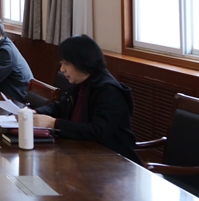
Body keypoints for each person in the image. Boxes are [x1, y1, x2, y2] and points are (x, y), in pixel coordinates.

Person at [33, 35, 141, 164]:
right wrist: (35, 112)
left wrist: (53, 123)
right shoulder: (81, 83)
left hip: (113, 161)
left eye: (66, 63)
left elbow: (98, 131)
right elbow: (60, 106)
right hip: (81, 153)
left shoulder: (108, 91)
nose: (62, 69)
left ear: (82, 62)